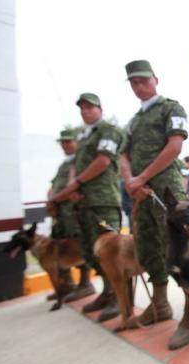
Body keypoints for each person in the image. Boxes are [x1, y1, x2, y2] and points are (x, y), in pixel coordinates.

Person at [120, 60, 188, 328]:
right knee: (148, 247)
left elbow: (175, 147)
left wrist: (141, 178)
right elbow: (123, 155)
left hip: (165, 190)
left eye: (143, 80)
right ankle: (160, 304)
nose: (139, 86)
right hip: (141, 193)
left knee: (178, 249)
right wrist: (130, 182)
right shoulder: (133, 122)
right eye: (134, 83)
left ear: (155, 79)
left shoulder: (171, 107)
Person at [50, 93, 124, 322]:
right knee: (93, 253)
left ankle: (120, 299)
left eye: (90, 107)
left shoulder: (108, 131)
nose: (85, 111)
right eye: (82, 108)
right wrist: (73, 188)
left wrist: (77, 183)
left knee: (110, 253)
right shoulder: (84, 138)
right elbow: (76, 167)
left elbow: (102, 162)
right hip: (83, 202)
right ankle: (107, 291)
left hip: (103, 201)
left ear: (100, 109)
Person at [47, 128, 93, 301]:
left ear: (77, 142)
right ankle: (67, 284)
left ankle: (85, 284)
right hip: (60, 214)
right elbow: (54, 185)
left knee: (79, 247)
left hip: (73, 212)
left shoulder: (81, 161)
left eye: (68, 141)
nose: (65, 145)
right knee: (61, 248)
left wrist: (56, 199)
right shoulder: (65, 164)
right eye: (63, 142)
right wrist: (51, 200)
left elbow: (73, 186)